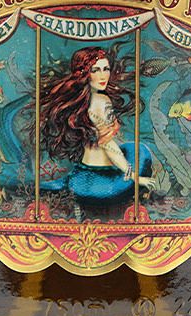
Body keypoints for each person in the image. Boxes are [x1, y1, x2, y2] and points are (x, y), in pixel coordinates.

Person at [37, 46, 155, 206]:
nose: (103, 75)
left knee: (131, 149)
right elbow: (107, 144)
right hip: (103, 183)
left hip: (81, 176)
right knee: (142, 153)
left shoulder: (83, 103)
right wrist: (135, 176)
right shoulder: (101, 102)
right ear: (84, 74)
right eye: (95, 70)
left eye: (106, 69)